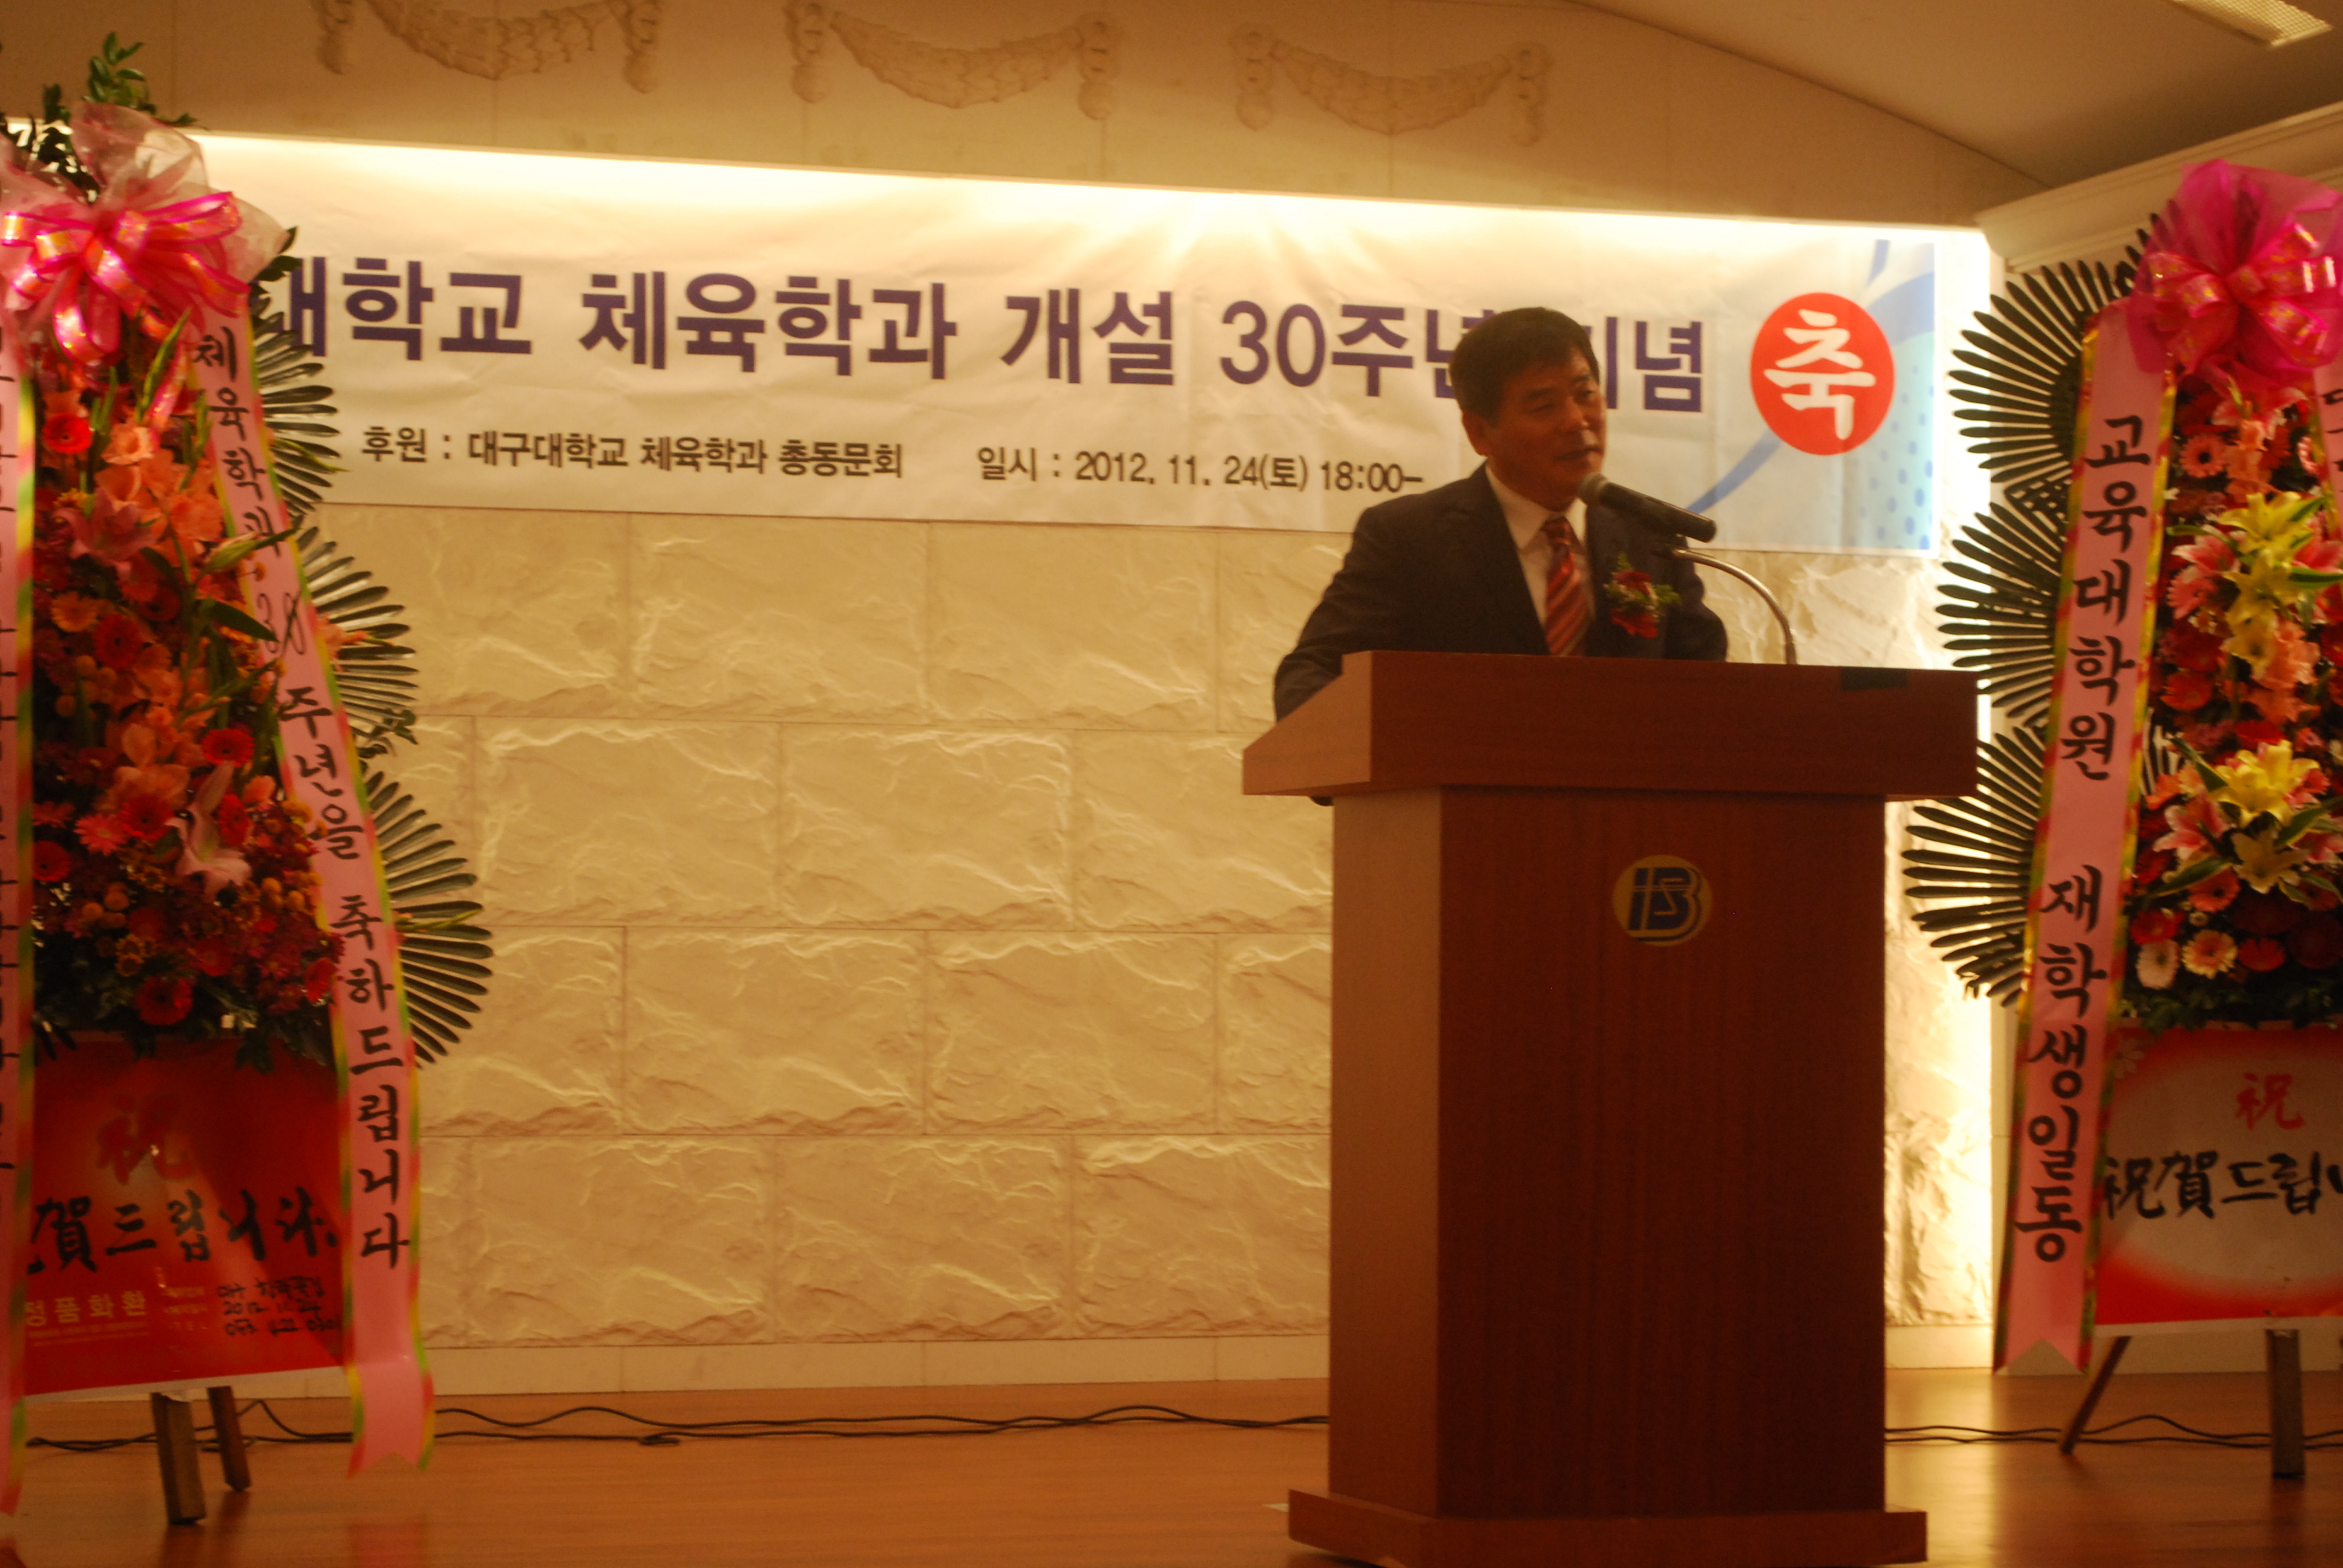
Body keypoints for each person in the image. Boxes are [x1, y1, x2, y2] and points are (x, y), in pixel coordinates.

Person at [1273, 307, 1727, 720]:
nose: (1577, 420)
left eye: (1586, 393)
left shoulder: (1648, 535)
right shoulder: (1408, 538)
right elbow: (1314, 670)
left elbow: (1708, 685)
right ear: (1479, 433)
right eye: (1544, 406)